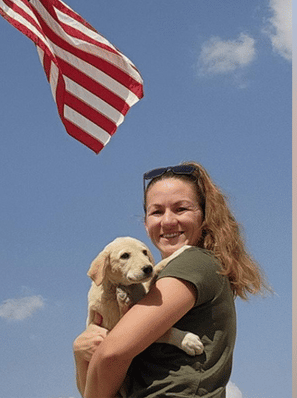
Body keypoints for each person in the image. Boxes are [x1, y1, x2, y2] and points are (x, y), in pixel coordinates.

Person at [73, 162, 268, 398]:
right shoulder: (160, 278)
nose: (167, 221)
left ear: (204, 216)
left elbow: (111, 354)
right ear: (145, 224)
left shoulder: (194, 262)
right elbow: (96, 378)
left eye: (181, 209)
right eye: (157, 212)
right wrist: (79, 352)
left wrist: (103, 351)